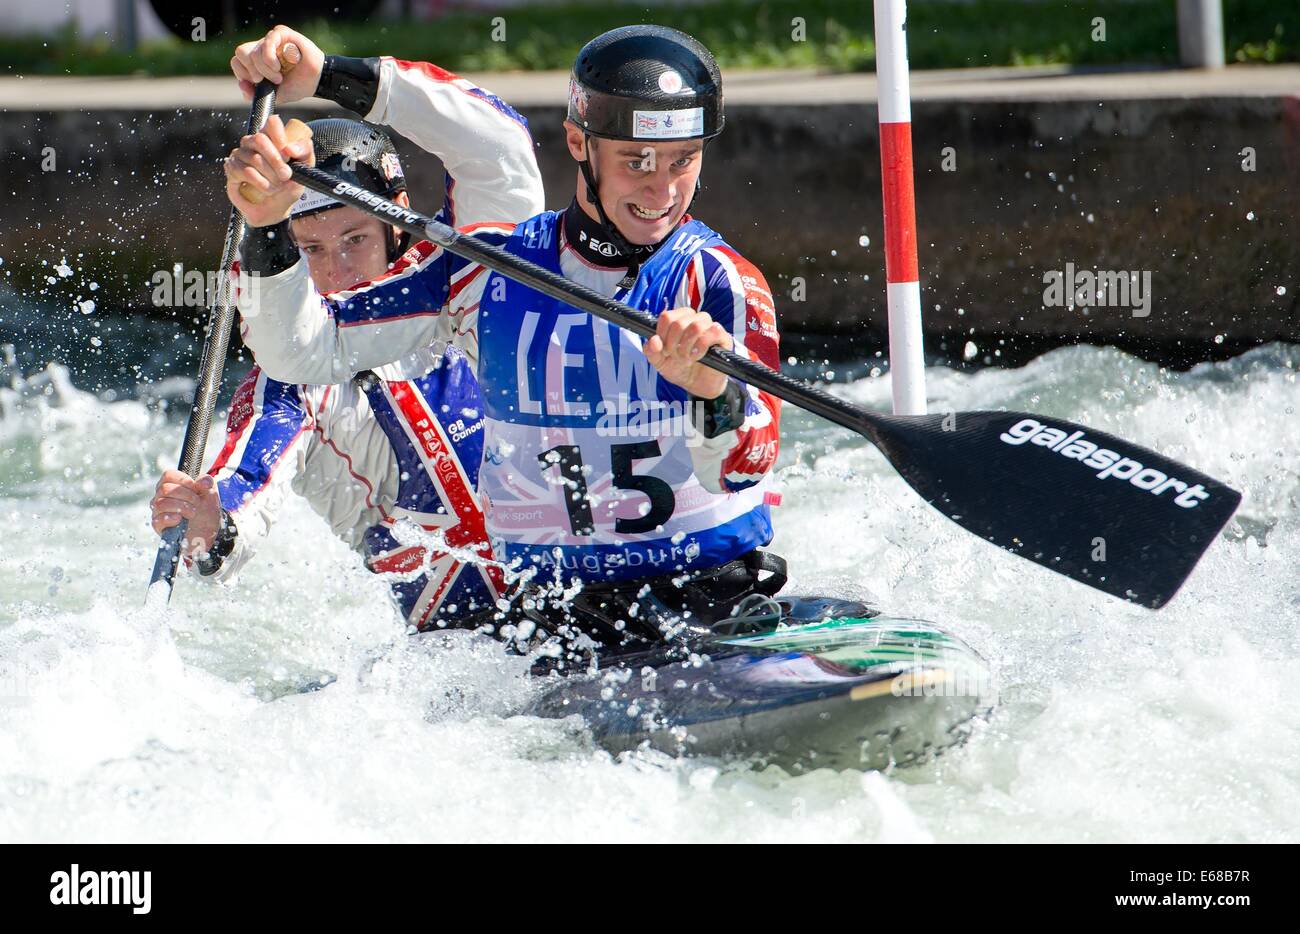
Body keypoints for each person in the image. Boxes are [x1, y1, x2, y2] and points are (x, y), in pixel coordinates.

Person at [226, 25, 786, 657]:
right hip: (554, 621)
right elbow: (301, 350)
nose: (662, 191)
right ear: (578, 142)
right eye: (636, 161)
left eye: (683, 160)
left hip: (710, 599)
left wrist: (714, 389)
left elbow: (748, 465)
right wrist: (269, 225)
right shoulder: (487, 267)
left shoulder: (719, 280)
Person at [150, 86, 544, 629]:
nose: (336, 272)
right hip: (466, 652)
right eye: (310, 249)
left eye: (354, 239)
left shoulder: (463, 283)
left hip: (586, 590)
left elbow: (493, 148)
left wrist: (328, 74)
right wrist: (211, 525)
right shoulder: (289, 385)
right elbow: (244, 489)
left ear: (398, 221)